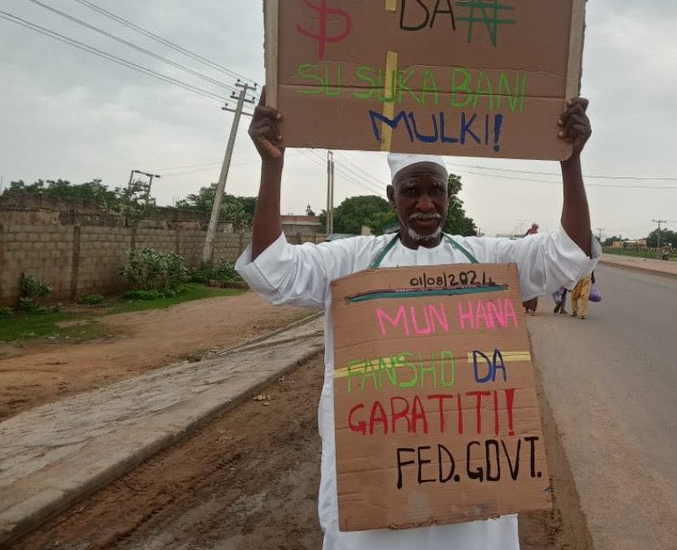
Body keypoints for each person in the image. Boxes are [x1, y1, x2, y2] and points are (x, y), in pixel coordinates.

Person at [235, 89, 600, 550]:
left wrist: (571, 160)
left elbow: (569, 256)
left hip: (470, 504)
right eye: (412, 192)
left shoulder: (487, 259)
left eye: (436, 191)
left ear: (449, 194)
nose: (425, 204)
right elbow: (273, 272)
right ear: (392, 197)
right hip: (376, 499)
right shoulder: (352, 263)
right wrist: (273, 166)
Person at [521, 223, 540, 314]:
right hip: (531, 267)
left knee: (529, 289)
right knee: (531, 289)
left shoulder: (535, 236)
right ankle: (529, 308)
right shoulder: (533, 236)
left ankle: (529, 308)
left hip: (530, 267)